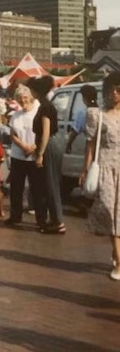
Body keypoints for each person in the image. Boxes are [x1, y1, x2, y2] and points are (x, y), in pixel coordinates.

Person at [82, 72, 120, 280]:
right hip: (105, 167)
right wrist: (85, 169)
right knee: (109, 211)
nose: (114, 93)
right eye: (110, 89)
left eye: (118, 89)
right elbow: (90, 144)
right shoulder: (98, 114)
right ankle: (119, 262)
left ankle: (117, 253)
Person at [29, 75, 65, 234]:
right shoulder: (45, 105)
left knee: (50, 184)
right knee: (48, 182)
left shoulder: (45, 107)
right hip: (49, 144)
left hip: (47, 145)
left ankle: (58, 221)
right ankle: (54, 219)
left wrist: (40, 154)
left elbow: (45, 132)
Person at [5, 85, 40, 227]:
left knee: (37, 188)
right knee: (16, 188)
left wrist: (34, 147)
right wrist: (24, 146)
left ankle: (40, 218)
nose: (23, 100)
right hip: (18, 155)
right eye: (20, 99)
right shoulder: (16, 115)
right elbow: (13, 135)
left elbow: (44, 133)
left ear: (30, 97)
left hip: (35, 155)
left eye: (25, 97)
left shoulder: (38, 112)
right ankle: (15, 216)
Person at [67, 84, 98, 153]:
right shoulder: (102, 112)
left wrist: (69, 144)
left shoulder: (83, 113)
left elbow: (75, 131)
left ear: (84, 98)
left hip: (90, 146)